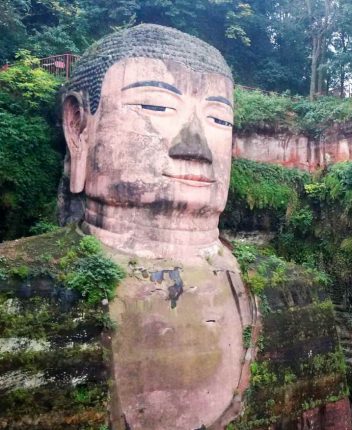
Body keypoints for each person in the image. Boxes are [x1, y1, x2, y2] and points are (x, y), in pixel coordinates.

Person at [60, 24, 256, 429]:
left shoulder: (288, 290)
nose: (195, 146)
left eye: (219, 119)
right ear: (78, 127)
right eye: (155, 107)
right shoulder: (22, 290)